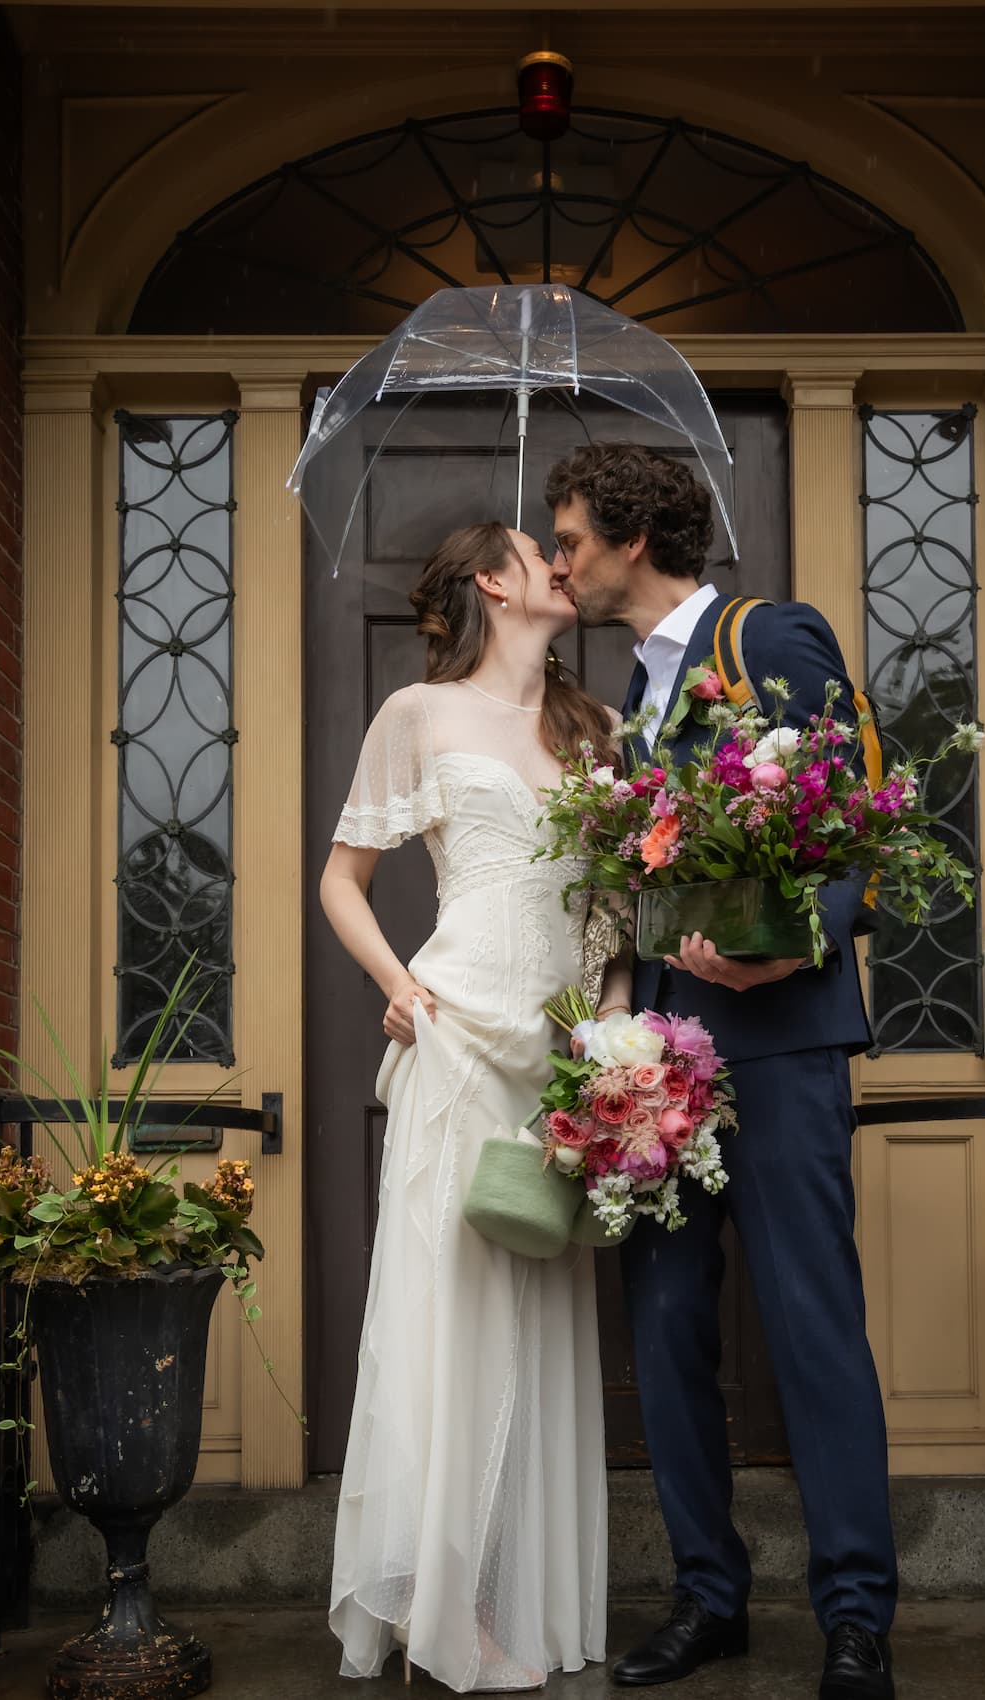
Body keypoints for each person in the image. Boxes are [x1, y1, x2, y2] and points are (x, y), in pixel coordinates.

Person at [545, 444, 898, 1700]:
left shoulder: (766, 637)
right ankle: (708, 1596)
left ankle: (856, 1612)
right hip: (660, 1062)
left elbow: (850, 814)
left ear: (633, 538)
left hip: (782, 1046)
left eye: (571, 536)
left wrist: (793, 939)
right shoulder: (626, 698)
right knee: (665, 1326)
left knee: (812, 1329)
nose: (561, 560)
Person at [321, 522, 613, 1692]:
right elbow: (340, 880)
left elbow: (611, 913)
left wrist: (616, 1040)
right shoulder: (416, 714)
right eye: (538, 550)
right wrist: (398, 987)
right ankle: (446, 1606)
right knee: (451, 1317)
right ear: (491, 581)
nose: (562, 564)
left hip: (554, 1047)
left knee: (534, 1309)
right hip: (455, 1030)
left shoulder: (593, 730)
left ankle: (521, 1592)